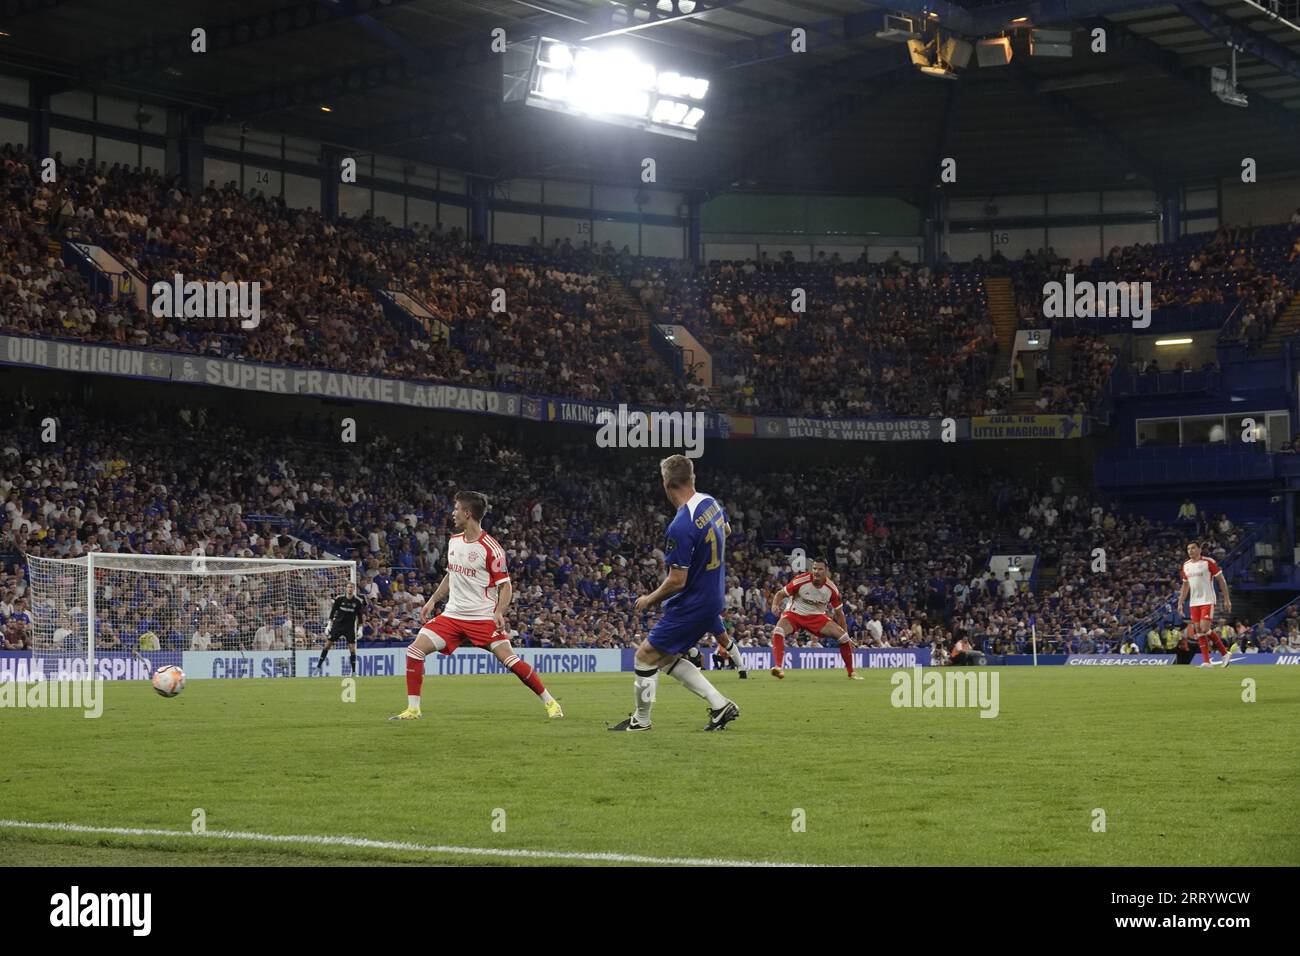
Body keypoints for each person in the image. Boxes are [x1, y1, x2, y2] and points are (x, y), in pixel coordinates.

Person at [390, 491, 562, 721]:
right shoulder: (454, 541)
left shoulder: (491, 548)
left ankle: (550, 702)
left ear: (467, 513)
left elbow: (506, 586)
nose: (453, 513)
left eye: (456, 508)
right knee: (414, 650)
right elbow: (451, 576)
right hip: (452, 616)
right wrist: (432, 601)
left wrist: (499, 611)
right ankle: (413, 709)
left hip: (482, 617)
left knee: (510, 661)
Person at [608, 455, 739, 732]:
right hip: (713, 596)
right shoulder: (710, 502)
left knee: (644, 656)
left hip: (693, 601)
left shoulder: (680, 526)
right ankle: (719, 705)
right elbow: (726, 530)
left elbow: (677, 580)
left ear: (666, 483)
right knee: (665, 659)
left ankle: (641, 721)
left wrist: (648, 599)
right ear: (693, 477)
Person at [768, 558, 861, 680]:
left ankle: (851, 672)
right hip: (794, 614)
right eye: (814, 568)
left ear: (826, 571)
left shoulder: (832, 589)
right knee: (778, 631)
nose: (816, 571)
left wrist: (847, 635)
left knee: (843, 638)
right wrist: (775, 605)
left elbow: (839, 614)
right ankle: (778, 668)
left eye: (820, 569)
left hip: (817, 617)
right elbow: (780, 594)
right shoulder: (801, 580)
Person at [1178, 542, 1233, 667]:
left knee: (1204, 628)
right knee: (1198, 630)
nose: (1190, 551)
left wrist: (1226, 599)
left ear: (1199, 549)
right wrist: (1180, 603)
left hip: (1207, 600)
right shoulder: (1185, 565)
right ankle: (1207, 662)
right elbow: (1185, 585)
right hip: (1194, 602)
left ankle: (1224, 653)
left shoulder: (1208, 562)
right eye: (1188, 548)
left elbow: (1221, 580)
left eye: (1193, 548)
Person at [317, 580, 365, 676]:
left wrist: (360, 629)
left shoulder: (358, 602)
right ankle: (318, 667)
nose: (350, 589)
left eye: (352, 587)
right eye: (348, 587)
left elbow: (360, 617)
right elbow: (333, 612)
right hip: (338, 626)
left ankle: (354, 672)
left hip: (349, 628)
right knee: (327, 645)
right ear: (346, 589)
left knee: (352, 649)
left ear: (354, 589)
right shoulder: (339, 599)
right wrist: (329, 625)